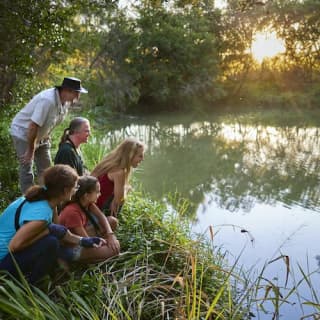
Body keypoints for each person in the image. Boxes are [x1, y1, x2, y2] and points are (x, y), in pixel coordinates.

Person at [0, 164, 105, 285]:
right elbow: (14, 246)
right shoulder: (42, 215)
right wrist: (48, 231)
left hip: (8, 255)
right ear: (65, 190)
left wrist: (83, 240)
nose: (76, 190)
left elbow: (58, 230)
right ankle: (29, 285)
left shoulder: (46, 197)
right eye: (75, 187)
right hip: (3, 263)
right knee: (51, 243)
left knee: (52, 239)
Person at [10, 77, 88, 194]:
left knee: (46, 170)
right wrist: (31, 149)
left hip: (40, 135)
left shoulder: (65, 103)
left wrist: (47, 135)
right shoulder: (48, 101)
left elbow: (52, 121)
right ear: (67, 90)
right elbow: (33, 126)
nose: (78, 97)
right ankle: (27, 200)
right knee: (27, 167)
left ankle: (46, 198)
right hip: (24, 133)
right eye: (77, 93)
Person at [54, 117, 117, 243]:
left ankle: (97, 239)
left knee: (111, 221)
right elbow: (69, 183)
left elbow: (81, 175)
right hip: (71, 202)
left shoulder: (76, 149)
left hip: (82, 200)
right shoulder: (67, 151)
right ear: (76, 132)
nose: (90, 134)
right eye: (87, 131)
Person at [59, 175, 120, 263]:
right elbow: (86, 240)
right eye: (97, 192)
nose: (100, 194)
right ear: (86, 195)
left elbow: (101, 216)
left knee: (112, 221)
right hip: (73, 246)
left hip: (82, 237)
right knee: (114, 249)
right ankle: (84, 259)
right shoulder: (72, 212)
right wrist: (106, 243)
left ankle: (94, 256)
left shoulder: (87, 203)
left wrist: (110, 235)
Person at [91, 137, 145, 217]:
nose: (142, 159)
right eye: (140, 156)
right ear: (130, 155)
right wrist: (127, 189)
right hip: (97, 210)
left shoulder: (110, 160)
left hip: (89, 203)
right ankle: (107, 219)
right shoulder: (119, 172)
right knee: (118, 201)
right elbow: (120, 201)